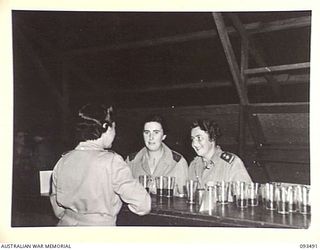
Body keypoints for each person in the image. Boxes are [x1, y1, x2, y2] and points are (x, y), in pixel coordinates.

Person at [50, 103, 151, 226]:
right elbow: (143, 205)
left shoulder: (63, 160)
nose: (115, 134)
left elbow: (57, 208)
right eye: (114, 128)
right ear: (106, 127)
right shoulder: (112, 161)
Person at [126, 114, 188, 196]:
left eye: (156, 132)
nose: (151, 137)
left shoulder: (178, 162)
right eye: (147, 132)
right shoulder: (131, 162)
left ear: (164, 136)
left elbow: (184, 198)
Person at [189, 119, 252, 188]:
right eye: (192, 139)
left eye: (199, 138)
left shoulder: (231, 163)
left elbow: (245, 194)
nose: (194, 144)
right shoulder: (193, 165)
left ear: (212, 137)